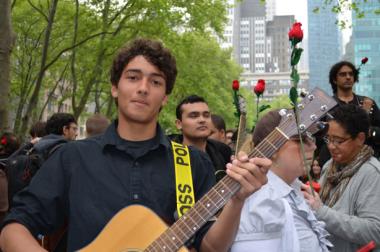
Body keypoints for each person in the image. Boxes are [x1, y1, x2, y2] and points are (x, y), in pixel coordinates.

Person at [0, 38, 271, 252]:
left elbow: (211, 247)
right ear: (115, 88)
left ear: (164, 97)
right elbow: (15, 227)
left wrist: (236, 202)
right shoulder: (72, 158)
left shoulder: (192, 163)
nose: (143, 88)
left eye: (155, 81)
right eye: (133, 77)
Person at [231, 110, 332, 252]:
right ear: (271, 148)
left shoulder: (292, 188)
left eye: (312, 139)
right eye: (301, 140)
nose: (313, 146)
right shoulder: (263, 202)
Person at [303, 104, 380, 251]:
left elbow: (375, 232)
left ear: (360, 138)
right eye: (328, 139)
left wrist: (321, 212)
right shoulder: (330, 165)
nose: (331, 146)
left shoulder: (372, 174)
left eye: (338, 141)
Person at [319, 61, 380, 165]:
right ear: (334, 79)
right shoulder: (325, 106)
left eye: (351, 74)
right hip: (333, 162)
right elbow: (318, 137)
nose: (348, 77)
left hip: (365, 161)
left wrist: (370, 131)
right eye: (343, 74)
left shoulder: (368, 102)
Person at [172, 95, 232, 180]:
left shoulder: (223, 152)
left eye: (206, 115)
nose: (202, 120)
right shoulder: (167, 155)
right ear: (179, 124)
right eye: (194, 116)